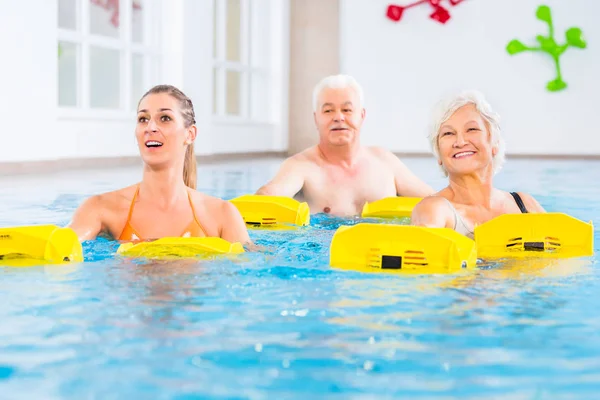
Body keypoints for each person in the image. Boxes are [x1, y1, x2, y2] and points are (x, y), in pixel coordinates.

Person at [68, 84, 251, 245]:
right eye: (143, 119)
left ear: (190, 134)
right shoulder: (101, 209)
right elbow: (61, 246)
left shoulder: (222, 215)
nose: (150, 128)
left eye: (165, 118)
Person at [255, 74, 434, 216]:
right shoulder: (300, 167)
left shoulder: (385, 161)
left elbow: (435, 201)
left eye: (347, 110)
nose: (338, 117)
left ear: (362, 116)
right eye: (328, 110)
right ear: (316, 118)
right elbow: (267, 197)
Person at [411, 90, 545, 238]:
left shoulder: (524, 204)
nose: (460, 142)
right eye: (448, 133)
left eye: (472, 129)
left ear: (494, 143)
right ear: (439, 154)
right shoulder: (435, 210)